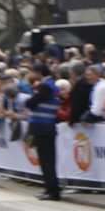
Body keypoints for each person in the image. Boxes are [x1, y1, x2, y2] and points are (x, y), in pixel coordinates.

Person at [26, 65, 63, 200]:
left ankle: (52, 190)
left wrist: (31, 99)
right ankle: (50, 188)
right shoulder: (52, 85)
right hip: (47, 126)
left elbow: (30, 103)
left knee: (46, 161)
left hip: (42, 126)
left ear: (39, 72)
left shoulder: (45, 86)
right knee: (47, 160)